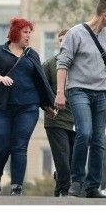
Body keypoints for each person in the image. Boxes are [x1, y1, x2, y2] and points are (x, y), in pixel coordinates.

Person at [54, 0, 106, 199]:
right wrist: (60, 92)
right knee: (84, 133)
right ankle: (76, 181)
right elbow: (63, 63)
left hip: (101, 93)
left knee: (98, 140)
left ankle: (93, 186)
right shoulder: (75, 34)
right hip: (78, 91)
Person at [0, 18, 57, 196]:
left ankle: (16, 189)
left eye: (30, 32)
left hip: (27, 108)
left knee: (19, 147)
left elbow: (41, 83)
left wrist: (47, 105)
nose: (29, 36)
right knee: (1, 146)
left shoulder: (32, 55)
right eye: (25, 32)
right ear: (15, 33)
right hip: (1, 108)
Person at [43, 29, 76, 197]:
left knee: (72, 160)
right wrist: (47, 107)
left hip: (77, 120)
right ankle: (65, 192)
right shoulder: (49, 65)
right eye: (61, 40)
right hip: (55, 119)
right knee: (62, 158)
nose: (64, 42)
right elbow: (39, 89)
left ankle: (60, 185)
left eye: (67, 39)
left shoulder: (80, 64)